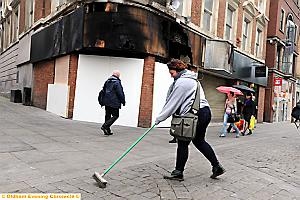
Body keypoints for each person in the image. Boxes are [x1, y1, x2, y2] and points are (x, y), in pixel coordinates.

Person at [155, 58, 225, 181]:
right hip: (204, 112)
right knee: (199, 141)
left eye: (172, 73)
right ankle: (216, 166)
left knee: (183, 142)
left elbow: (173, 102)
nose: (171, 76)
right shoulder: (192, 79)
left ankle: (178, 172)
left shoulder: (183, 82)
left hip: (196, 115)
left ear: (177, 70)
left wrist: (159, 119)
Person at [101, 70, 125, 135]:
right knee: (116, 115)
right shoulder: (117, 82)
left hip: (106, 101)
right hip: (114, 102)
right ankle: (105, 126)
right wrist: (123, 101)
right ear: (117, 75)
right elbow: (120, 93)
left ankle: (107, 130)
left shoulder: (107, 81)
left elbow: (103, 90)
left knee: (107, 115)